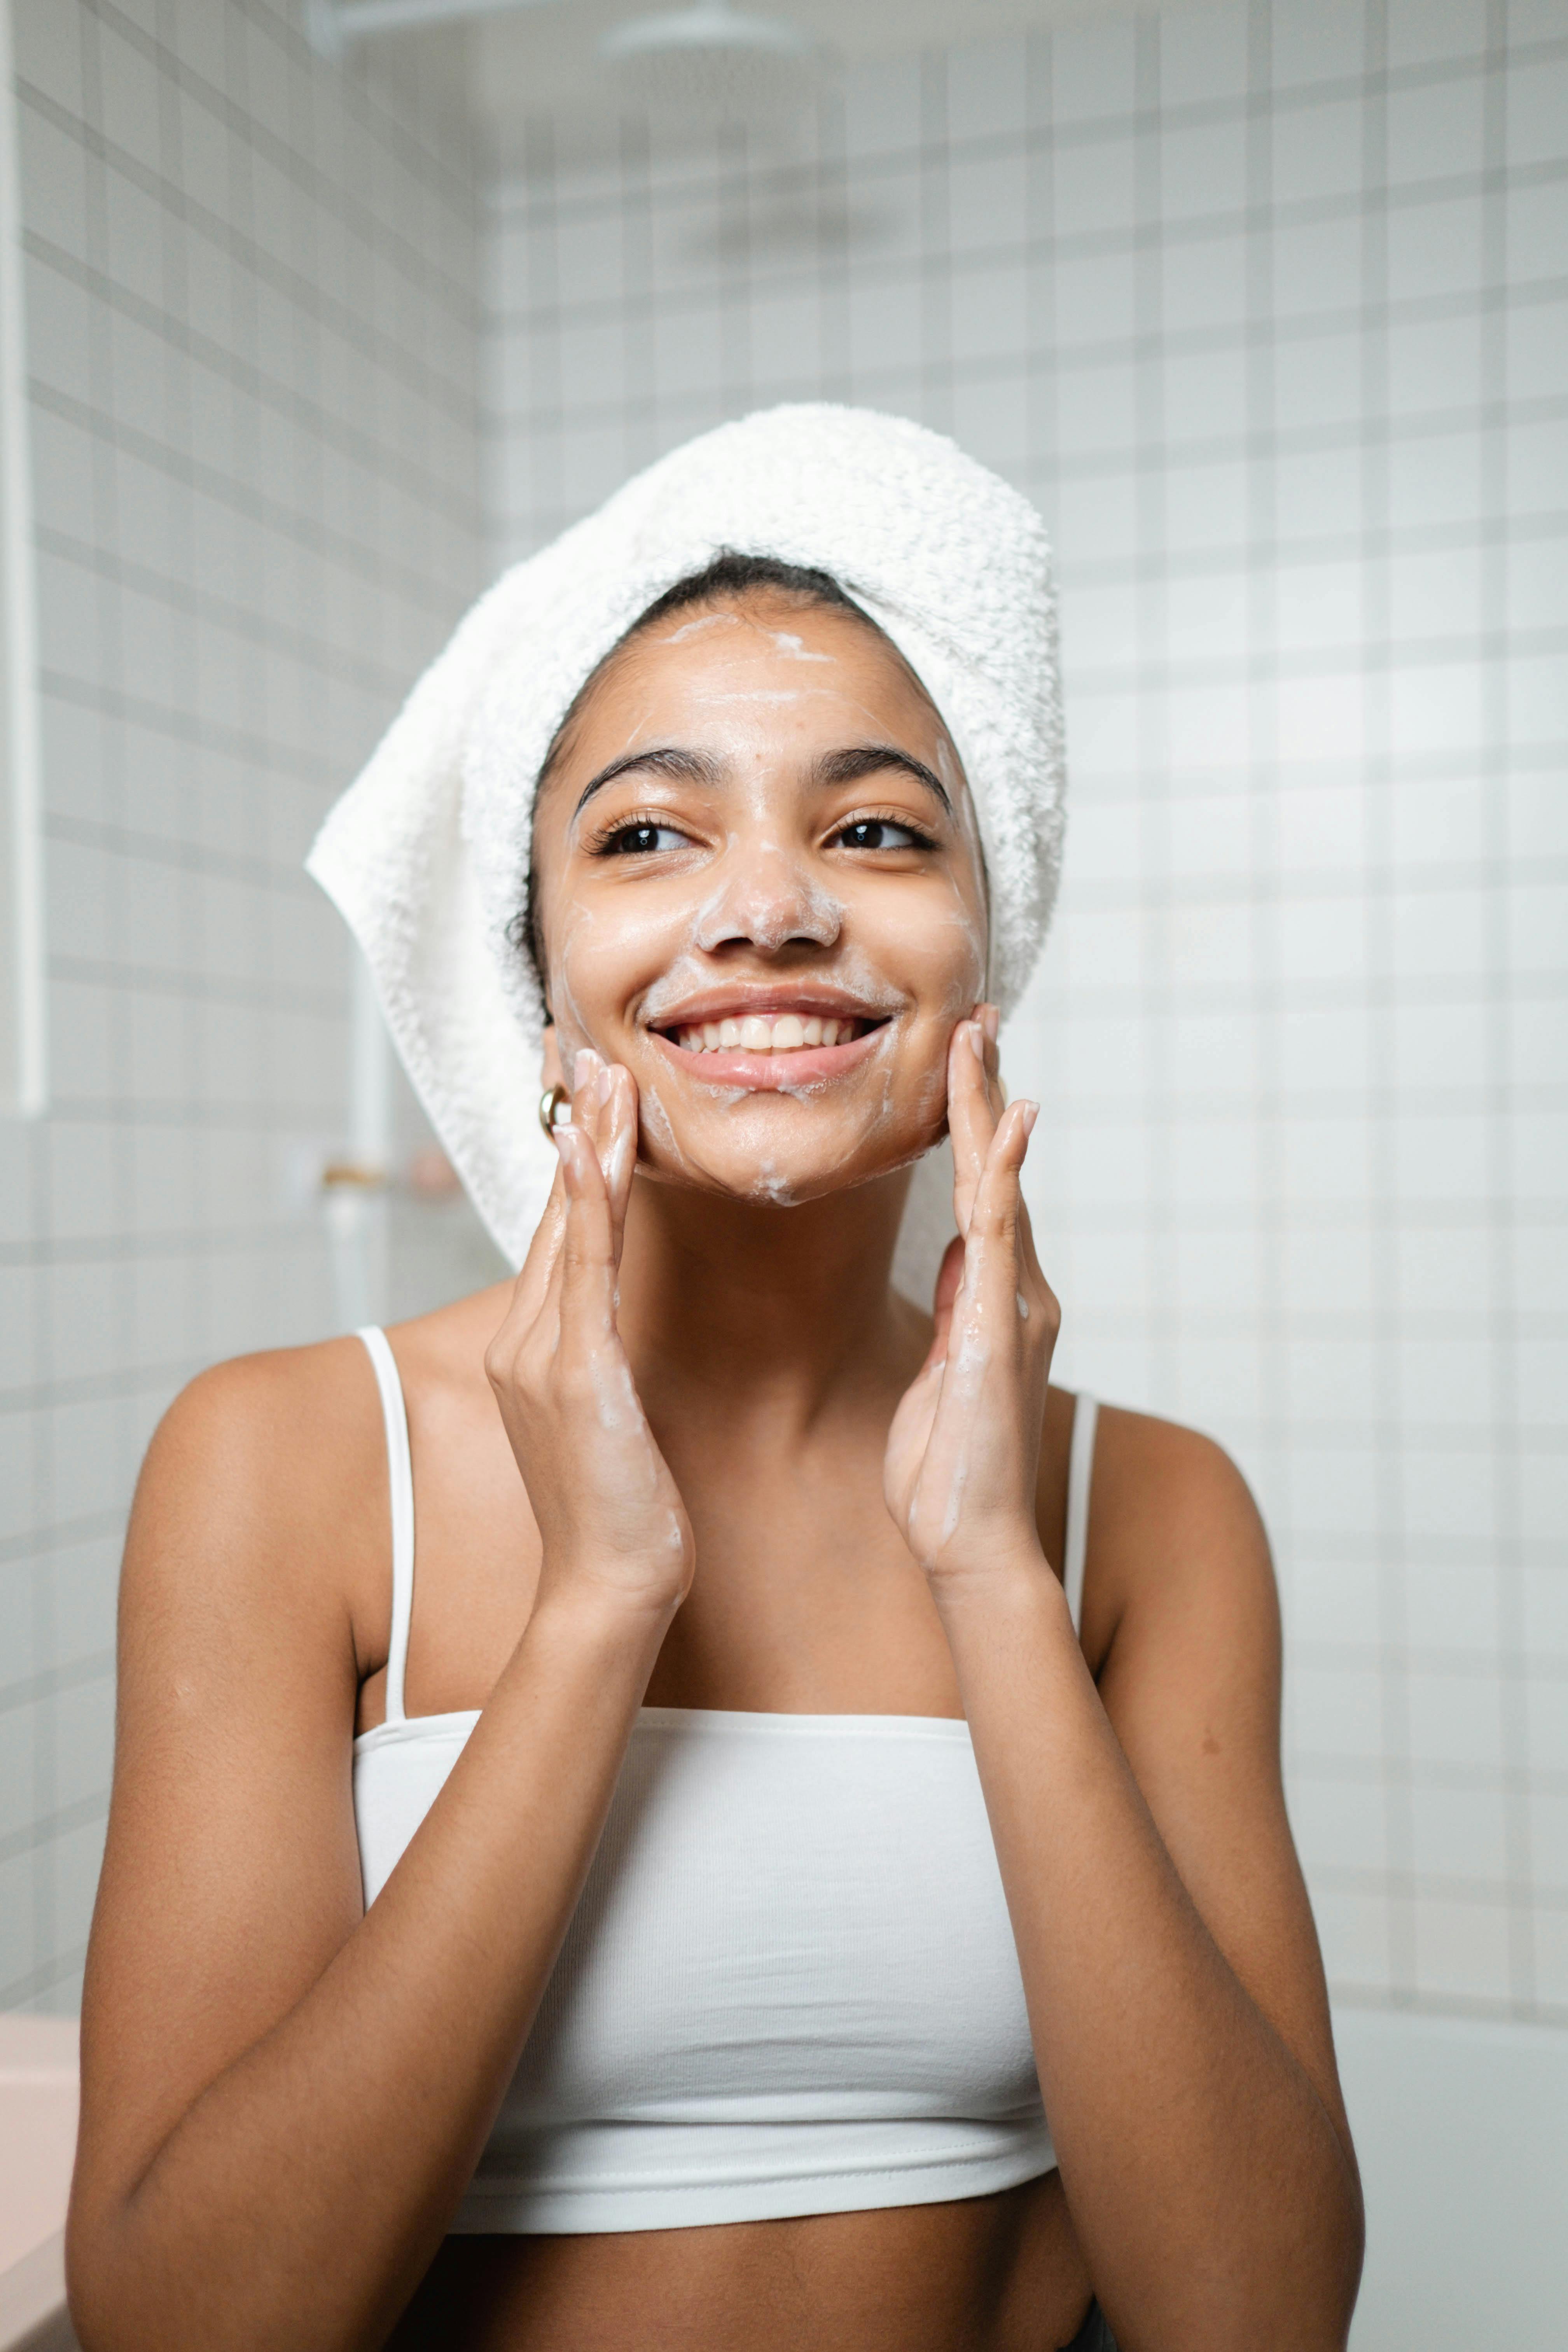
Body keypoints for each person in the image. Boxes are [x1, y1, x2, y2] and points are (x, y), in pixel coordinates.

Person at [66, 409, 1363, 2352]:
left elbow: (1256, 2323)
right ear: (540, 969)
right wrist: (597, 1603)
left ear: (982, 950)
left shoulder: (1150, 1515)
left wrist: (993, 1574)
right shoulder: (290, 1464)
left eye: (873, 828)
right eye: (650, 834)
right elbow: (185, 2324)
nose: (768, 907)